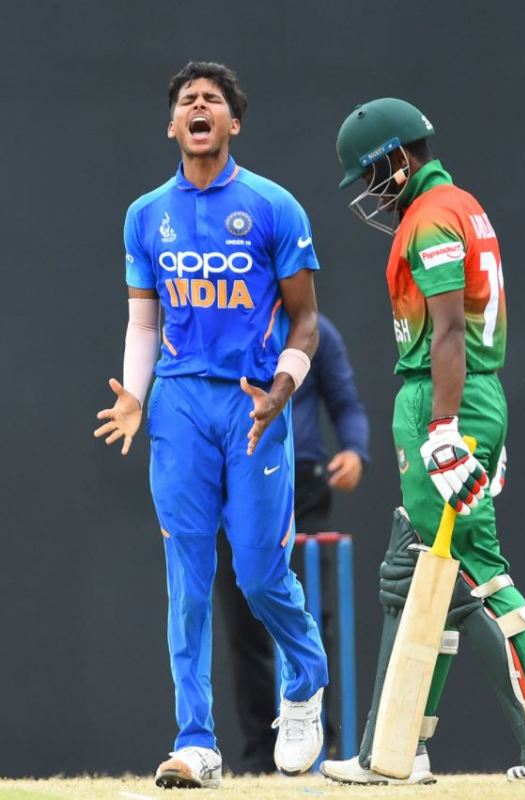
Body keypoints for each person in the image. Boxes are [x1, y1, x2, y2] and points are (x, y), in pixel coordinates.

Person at [320, 98, 525, 784]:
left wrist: (447, 428)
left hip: (445, 396)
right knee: (423, 565)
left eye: (370, 175)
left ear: (395, 158)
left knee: (471, 565)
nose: (369, 193)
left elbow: (448, 331)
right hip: (469, 392)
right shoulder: (461, 204)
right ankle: (397, 748)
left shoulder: (429, 219)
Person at [94, 61, 329, 789]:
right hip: (178, 406)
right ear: (173, 126)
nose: (199, 107)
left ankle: (305, 680)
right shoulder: (145, 215)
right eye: (187, 101)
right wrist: (136, 396)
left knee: (259, 576)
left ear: (233, 124)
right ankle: (195, 741)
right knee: (189, 581)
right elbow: (143, 321)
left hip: (253, 403)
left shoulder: (271, 205)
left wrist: (284, 385)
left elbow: (306, 320)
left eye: (213, 101)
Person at [215, 313, 369, 773]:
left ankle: (328, 749)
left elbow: (346, 404)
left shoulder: (318, 330)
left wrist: (354, 451)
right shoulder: (227, 323)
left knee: (308, 621)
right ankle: (261, 755)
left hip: (302, 485)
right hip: (236, 481)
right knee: (245, 626)